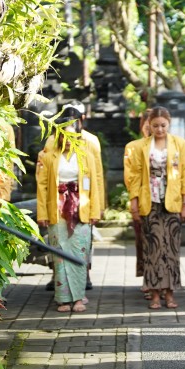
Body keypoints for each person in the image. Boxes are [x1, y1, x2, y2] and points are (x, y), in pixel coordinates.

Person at [128, 106, 185, 310]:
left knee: (171, 250)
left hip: (172, 202)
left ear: (169, 124)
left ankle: (170, 293)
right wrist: (134, 202)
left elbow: (184, 174)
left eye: (163, 125)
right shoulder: (141, 147)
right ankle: (155, 294)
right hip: (150, 201)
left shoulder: (179, 144)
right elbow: (136, 176)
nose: (159, 129)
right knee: (153, 249)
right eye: (155, 125)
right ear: (149, 125)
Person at [36, 117, 100, 313]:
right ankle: (63, 299)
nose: (68, 139)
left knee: (80, 253)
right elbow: (42, 186)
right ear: (57, 136)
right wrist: (43, 212)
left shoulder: (86, 156)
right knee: (59, 254)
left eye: (72, 135)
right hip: (57, 207)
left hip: (81, 207)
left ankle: (79, 297)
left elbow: (94, 184)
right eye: (64, 135)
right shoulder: (47, 157)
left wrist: (95, 210)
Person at [44, 103, 105, 292]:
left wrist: (99, 205)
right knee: (58, 242)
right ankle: (58, 277)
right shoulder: (51, 142)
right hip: (59, 200)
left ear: (80, 123)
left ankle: (84, 275)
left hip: (83, 200)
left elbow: (96, 176)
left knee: (83, 242)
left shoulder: (91, 141)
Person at [123, 111, 151, 292]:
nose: (151, 129)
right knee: (143, 241)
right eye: (148, 125)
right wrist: (134, 200)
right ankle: (148, 278)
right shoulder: (132, 147)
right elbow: (130, 177)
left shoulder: (170, 146)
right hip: (141, 200)